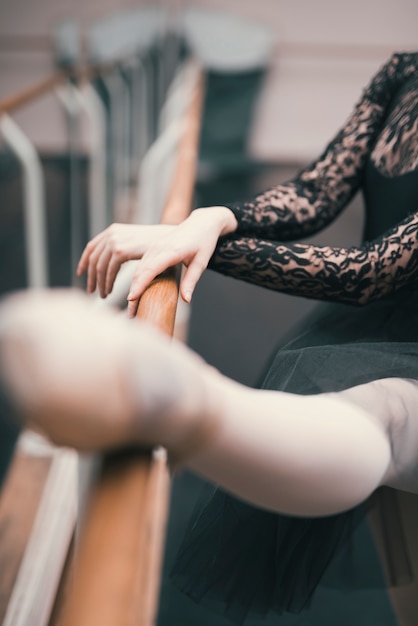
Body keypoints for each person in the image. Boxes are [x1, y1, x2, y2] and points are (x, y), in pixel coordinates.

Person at [0, 51, 417, 623]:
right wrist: (214, 217)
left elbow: (374, 271)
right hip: (371, 331)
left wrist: (205, 245)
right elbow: (319, 190)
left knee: (391, 422)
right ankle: (179, 400)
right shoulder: (403, 72)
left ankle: (185, 402)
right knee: (401, 541)